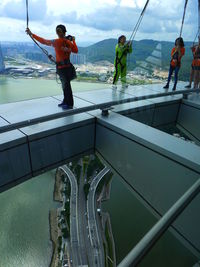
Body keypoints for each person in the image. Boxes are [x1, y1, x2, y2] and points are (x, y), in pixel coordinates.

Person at [26, 25, 78, 109]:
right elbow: (75, 50)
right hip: (67, 67)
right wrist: (73, 41)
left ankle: (69, 104)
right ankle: (65, 101)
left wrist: (32, 34)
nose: (57, 32)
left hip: (62, 68)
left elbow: (43, 41)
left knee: (66, 86)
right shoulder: (68, 42)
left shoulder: (57, 42)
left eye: (58, 31)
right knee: (65, 85)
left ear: (63, 32)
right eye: (57, 30)